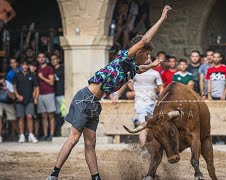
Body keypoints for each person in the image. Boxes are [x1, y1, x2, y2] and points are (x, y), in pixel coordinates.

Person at [46, 5, 171, 180]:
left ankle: (96, 177)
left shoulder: (131, 67)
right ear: (140, 51)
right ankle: (54, 175)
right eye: (147, 55)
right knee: (74, 138)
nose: (147, 58)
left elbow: (141, 69)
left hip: (94, 103)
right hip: (85, 98)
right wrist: (162, 19)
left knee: (91, 143)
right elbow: (144, 40)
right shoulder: (125, 56)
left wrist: (152, 65)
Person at [13, 61, 39, 143]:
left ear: (28, 65)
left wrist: (35, 98)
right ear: (20, 65)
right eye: (23, 64)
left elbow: (36, 87)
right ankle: (22, 135)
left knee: (29, 117)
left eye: (26, 64)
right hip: (19, 100)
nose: (25, 66)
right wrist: (17, 96)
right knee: (21, 117)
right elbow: (14, 87)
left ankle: (31, 135)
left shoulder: (32, 75)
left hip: (30, 99)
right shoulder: (17, 75)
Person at [37, 52, 56, 141]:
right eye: (39, 57)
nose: (41, 58)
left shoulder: (49, 68)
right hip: (40, 95)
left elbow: (51, 82)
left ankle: (51, 134)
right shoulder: (37, 69)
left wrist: (41, 77)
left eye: (43, 57)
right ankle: (45, 134)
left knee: (50, 115)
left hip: (49, 94)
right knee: (43, 116)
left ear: (45, 58)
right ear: (37, 59)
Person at [51, 54, 64, 137]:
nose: (53, 61)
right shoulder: (51, 70)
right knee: (57, 114)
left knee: (63, 113)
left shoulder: (62, 69)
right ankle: (58, 131)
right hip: (54, 94)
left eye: (55, 59)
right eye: (52, 59)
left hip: (62, 94)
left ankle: (62, 130)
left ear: (58, 60)